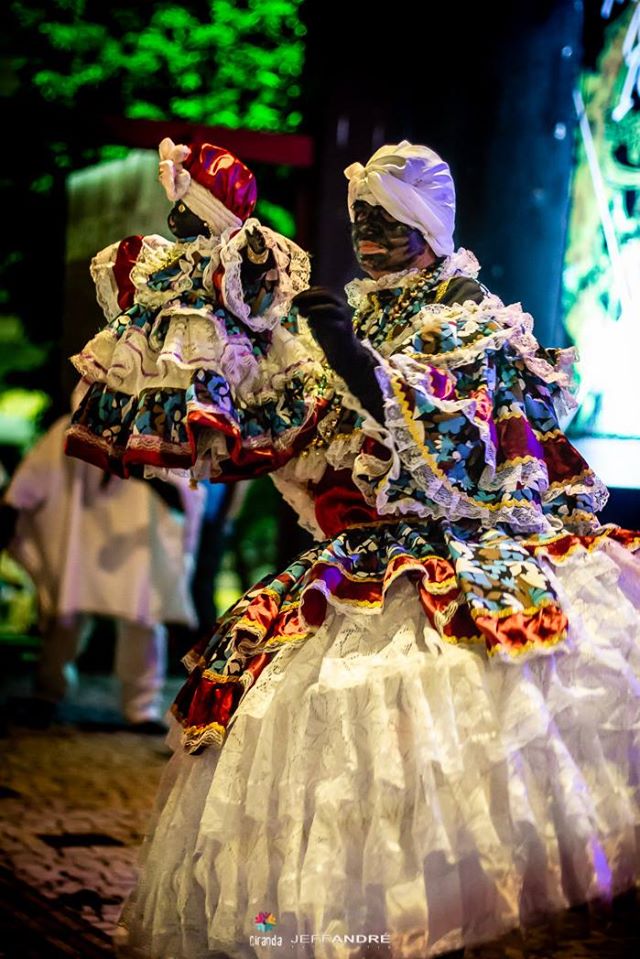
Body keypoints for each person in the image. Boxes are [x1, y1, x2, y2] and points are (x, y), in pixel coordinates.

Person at [79, 140, 638, 957]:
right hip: (348, 567)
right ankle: (317, 932)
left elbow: (455, 442)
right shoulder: (333, 308)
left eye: (387, 219)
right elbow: (287, 422)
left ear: (428, 227)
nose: (368, 235)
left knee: (435, 766)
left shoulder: (474, 319)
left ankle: (430, 922)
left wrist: (360, 365)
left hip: (444, 564)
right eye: (360, 219)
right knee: (310, 764)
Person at [65, 137, 316, 480]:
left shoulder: (226, 256)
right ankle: (163, 430)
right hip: (165, 336)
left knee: (207, 382)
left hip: (208, 334)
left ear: (207, 214)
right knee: (152, 373)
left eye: (184, 208)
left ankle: (209, 428)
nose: (174, 216)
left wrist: (253, 256)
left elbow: (247, 286)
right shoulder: (167, 256)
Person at [1, 399, 204, 732]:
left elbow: (187, 492)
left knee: (143, 618)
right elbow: (40, 471)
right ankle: (49, 692)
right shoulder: (79, 421)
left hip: (139, 539)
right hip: (82, 532)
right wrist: (14, 505)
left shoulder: (161, 426)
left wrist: (143, 469)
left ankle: (141, 706)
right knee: (67, 616)